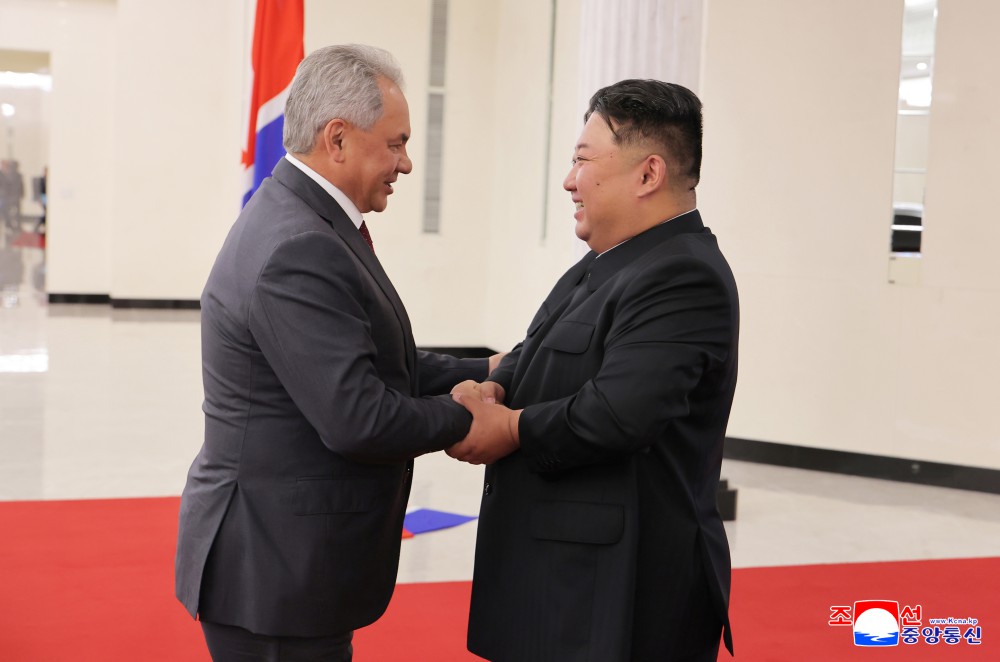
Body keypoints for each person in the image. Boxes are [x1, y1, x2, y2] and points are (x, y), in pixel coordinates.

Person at [175, 44, 499, 662]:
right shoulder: (299, 244)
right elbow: (359, 417)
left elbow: (369, 359)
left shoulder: (302, 218)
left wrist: (485, 370)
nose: (406, 163)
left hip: (282, 563)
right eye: (396, 143)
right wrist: (469, 416)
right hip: (272, 573)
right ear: (339, 138)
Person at [448, 79, 739, 661]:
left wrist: (508, 427)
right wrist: (482, 388)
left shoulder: (683, 275)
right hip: (564, 584)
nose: (568, 180)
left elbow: (619, 413)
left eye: (582, 160)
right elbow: (531, 357)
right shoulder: (606, 265)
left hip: (621, 595)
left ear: (648, 174)